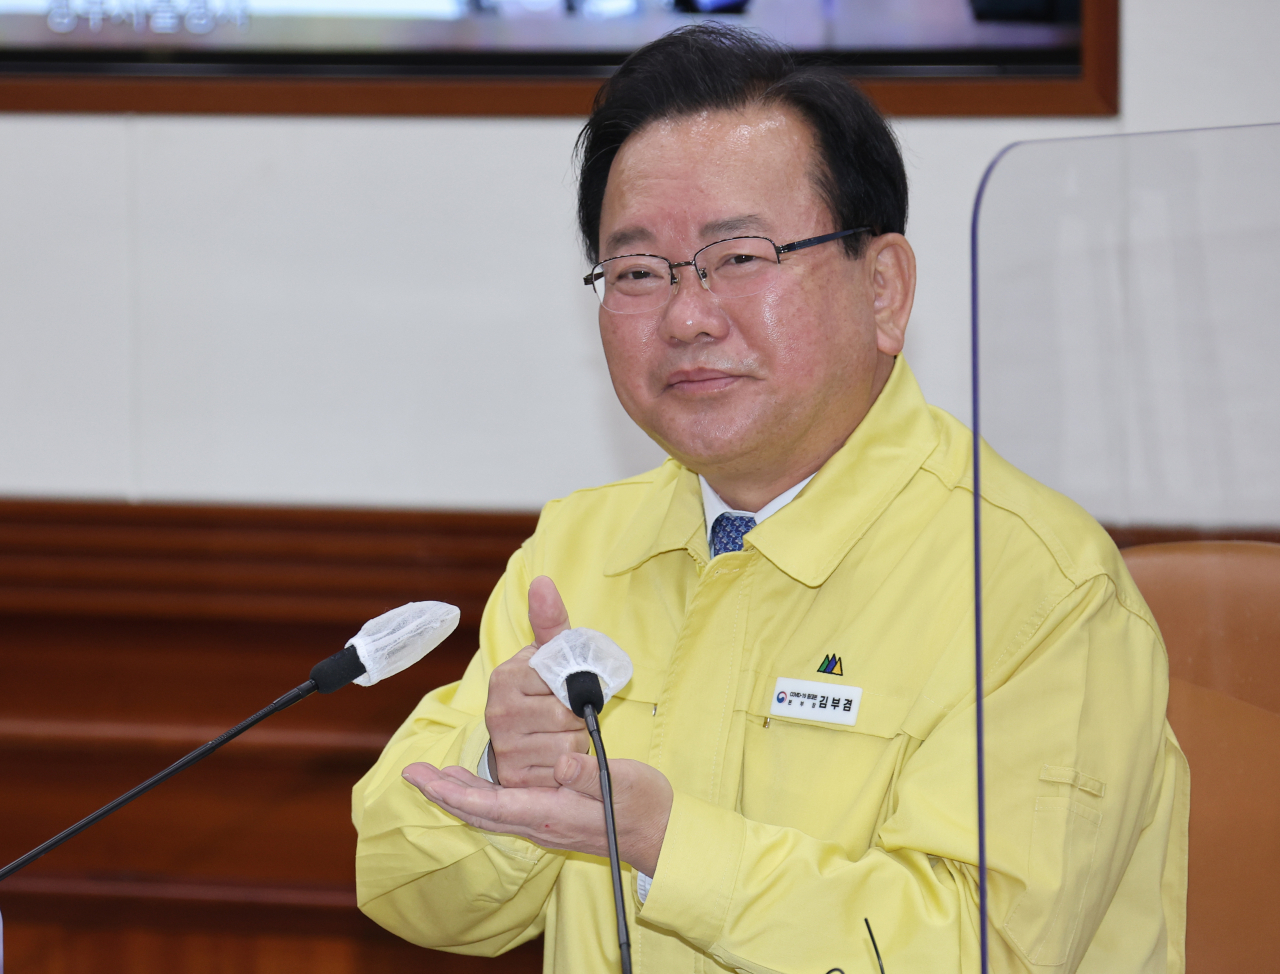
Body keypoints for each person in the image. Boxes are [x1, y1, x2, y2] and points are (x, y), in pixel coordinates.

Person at [352, 24, 1188, 974]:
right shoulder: (578, 552)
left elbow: (985, 951)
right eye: (636, 273)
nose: (688, 314)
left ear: (883, 287)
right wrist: (501, 771)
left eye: (740, 258)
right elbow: (399, 885)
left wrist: (677, 848)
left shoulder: (1034, 585)